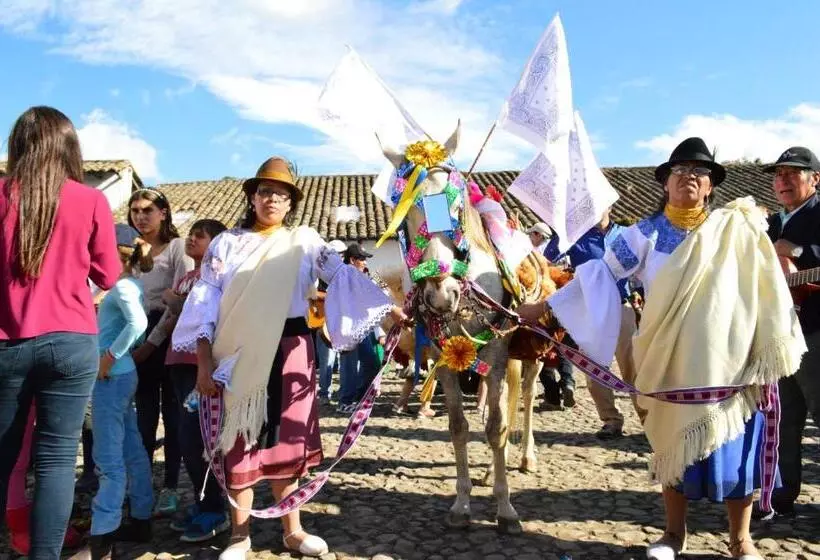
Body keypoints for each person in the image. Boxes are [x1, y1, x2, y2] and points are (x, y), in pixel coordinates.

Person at [518, 137, 804, 559]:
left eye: (699, 171)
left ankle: (740, 539)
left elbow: (763, 287)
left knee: (737, 450)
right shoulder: (642, 235)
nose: (689, 176)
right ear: (666, 183)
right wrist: (545, 307)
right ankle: (673, 534)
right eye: (679, 170)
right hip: (670, 362)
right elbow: (599, 275)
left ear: (710, 186)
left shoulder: (734, 231)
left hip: (730, 362)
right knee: (672, 448)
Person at [171, 157, 403, 559]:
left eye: (281, 194)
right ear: (252, 197)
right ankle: (239, 536)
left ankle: (292, 531)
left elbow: (344, 275)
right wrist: (204, 362)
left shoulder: (305, 241)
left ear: (291, 202)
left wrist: (390, 308)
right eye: (265, 192)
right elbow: (205, 301)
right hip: (239, 353)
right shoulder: (226, 244)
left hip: (292, 351)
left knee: (288, 444)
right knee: (240, 440)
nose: (272, 200)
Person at [0, 106, 121, 559]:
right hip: (71, 339)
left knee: (4, 455)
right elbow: (109, 275)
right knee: (55, 460)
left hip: (7, 341)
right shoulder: (89, 200)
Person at [73, 225, 156, 560]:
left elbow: (138, 324)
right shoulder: (129, 283)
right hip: (121, 376)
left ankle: (102, 539)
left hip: (110, 378)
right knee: (131, 448)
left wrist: (109, 356)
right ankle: (141, 517)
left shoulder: (120, 286)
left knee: (108, 459)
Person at [547, 208, 646, 438]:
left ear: (610, 205)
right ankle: (611, 420)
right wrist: (560, 232)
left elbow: (642, 269)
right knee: (594, 370)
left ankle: (648, 420)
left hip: (623, 307)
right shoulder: (576, 238)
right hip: (592, 309)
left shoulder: (626, 234)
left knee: (633, 366)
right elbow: (550, 256)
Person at [759, 146, 820, 520]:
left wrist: (798, 250)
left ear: (815, 179)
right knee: (782, 418)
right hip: (777, 334)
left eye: (792, 173)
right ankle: (780, 496)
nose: (782, 180)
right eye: (778, 174)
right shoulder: (768, 224)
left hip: (815, 330)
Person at [163, 219, 231, 542]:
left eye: (200, 236)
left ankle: (216, 509)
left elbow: (209, 319)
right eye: (190, 234)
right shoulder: (186, 278)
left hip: (199, 369)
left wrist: (175, 301)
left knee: (198, 439)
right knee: (183, 436)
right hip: (178, 364)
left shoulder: (219, 279)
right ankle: (203, 502)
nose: (191, 239)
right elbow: (172, 320)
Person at [127, 188, 194, 516]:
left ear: (163, 213)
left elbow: (179, 300)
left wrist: (152, 343)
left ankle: (169, 486)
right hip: (137, 333)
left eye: (147, 210)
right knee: (143, 415)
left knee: (172, 414)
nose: (140, 216)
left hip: (168, 335)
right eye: (135, 211)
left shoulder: (178, 248)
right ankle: (140, 485)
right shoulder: (132, 251)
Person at [336, 243, 382, 414]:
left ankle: (359, 397)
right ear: (352, 260)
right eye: (362, 259)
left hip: (362, 327)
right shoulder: (344, 277)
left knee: (371, 363)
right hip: (348, 328)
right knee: (349, 366)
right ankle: (345, 401)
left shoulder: (360, 276)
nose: (365, 262)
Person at [313, 239, 346, 405]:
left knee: (343, 360)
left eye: (342, 254)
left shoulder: (343, 273)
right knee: (327, 359)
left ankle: (342, 391)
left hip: (341, 321)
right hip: (324, 322)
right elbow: (312, 293)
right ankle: (324, 392)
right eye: (338, 254)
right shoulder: (319, 274)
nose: (341, 257)